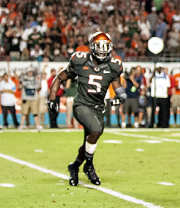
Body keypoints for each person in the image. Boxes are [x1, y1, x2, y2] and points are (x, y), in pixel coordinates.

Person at [47, 32, 126, 186]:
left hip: (98, 108)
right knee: (96, 130)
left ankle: (75, 166)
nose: (102, 50)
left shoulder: (114, 65)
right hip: (81, 105)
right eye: (99, 47)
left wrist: (121, 97)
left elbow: (118, 86)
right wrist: (52, 99)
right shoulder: (80, 60)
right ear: (92, 47)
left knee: (88, 142)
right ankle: (89, 166)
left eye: (105, 47)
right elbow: (60, 78)